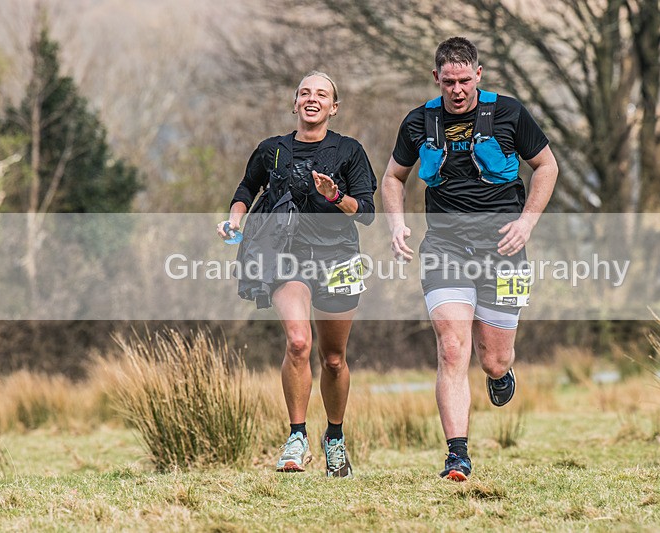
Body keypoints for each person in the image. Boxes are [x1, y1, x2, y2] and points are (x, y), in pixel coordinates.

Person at [382, 37, 558, 481]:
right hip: (445, 247)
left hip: (505, 247)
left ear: (479, 75)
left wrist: (527, 223)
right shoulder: (419, 121)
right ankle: (457, 454)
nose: (457, 89)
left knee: (493, 358)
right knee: (452, 346)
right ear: (436, 78)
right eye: (448, 82)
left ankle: (501, 374)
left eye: (465, 80)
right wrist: (397, 224)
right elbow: (392, 178)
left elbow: (547, 167)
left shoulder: (510, 113)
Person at [217, 71, 377, 478]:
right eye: (305, 92)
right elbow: (244, 190)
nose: (312, 98)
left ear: (333, 107)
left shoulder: (349, 151)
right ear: (294, 104)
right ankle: (297, 436)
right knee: (298, 342)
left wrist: (334, 196)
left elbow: (368, 213)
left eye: (321, 94)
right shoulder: (272, 150)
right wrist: (234, 222)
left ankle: (335, 439)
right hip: (285, 256)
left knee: (335, 359)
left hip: (338, 258)